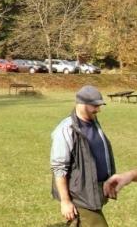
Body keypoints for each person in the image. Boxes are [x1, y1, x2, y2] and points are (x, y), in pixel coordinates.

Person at [50, 85, 116, 227]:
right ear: (81, 104)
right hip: (79, 195)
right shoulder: (66, 129)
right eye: (95, 106)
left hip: (93, 191)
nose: (98, 110)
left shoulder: (93, 122)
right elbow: (59, 168)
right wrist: (65, 201)